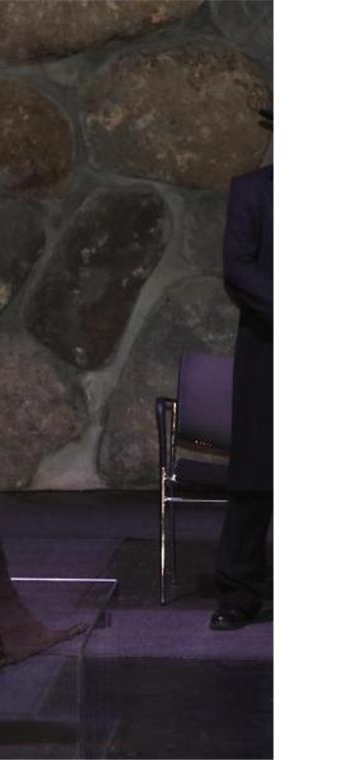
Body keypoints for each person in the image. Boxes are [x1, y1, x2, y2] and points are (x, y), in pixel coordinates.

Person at [211, 154, 273, 631]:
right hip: (269, 348)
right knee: (256, 476)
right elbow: (238, 267)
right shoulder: (252, 189)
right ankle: (240, 593)